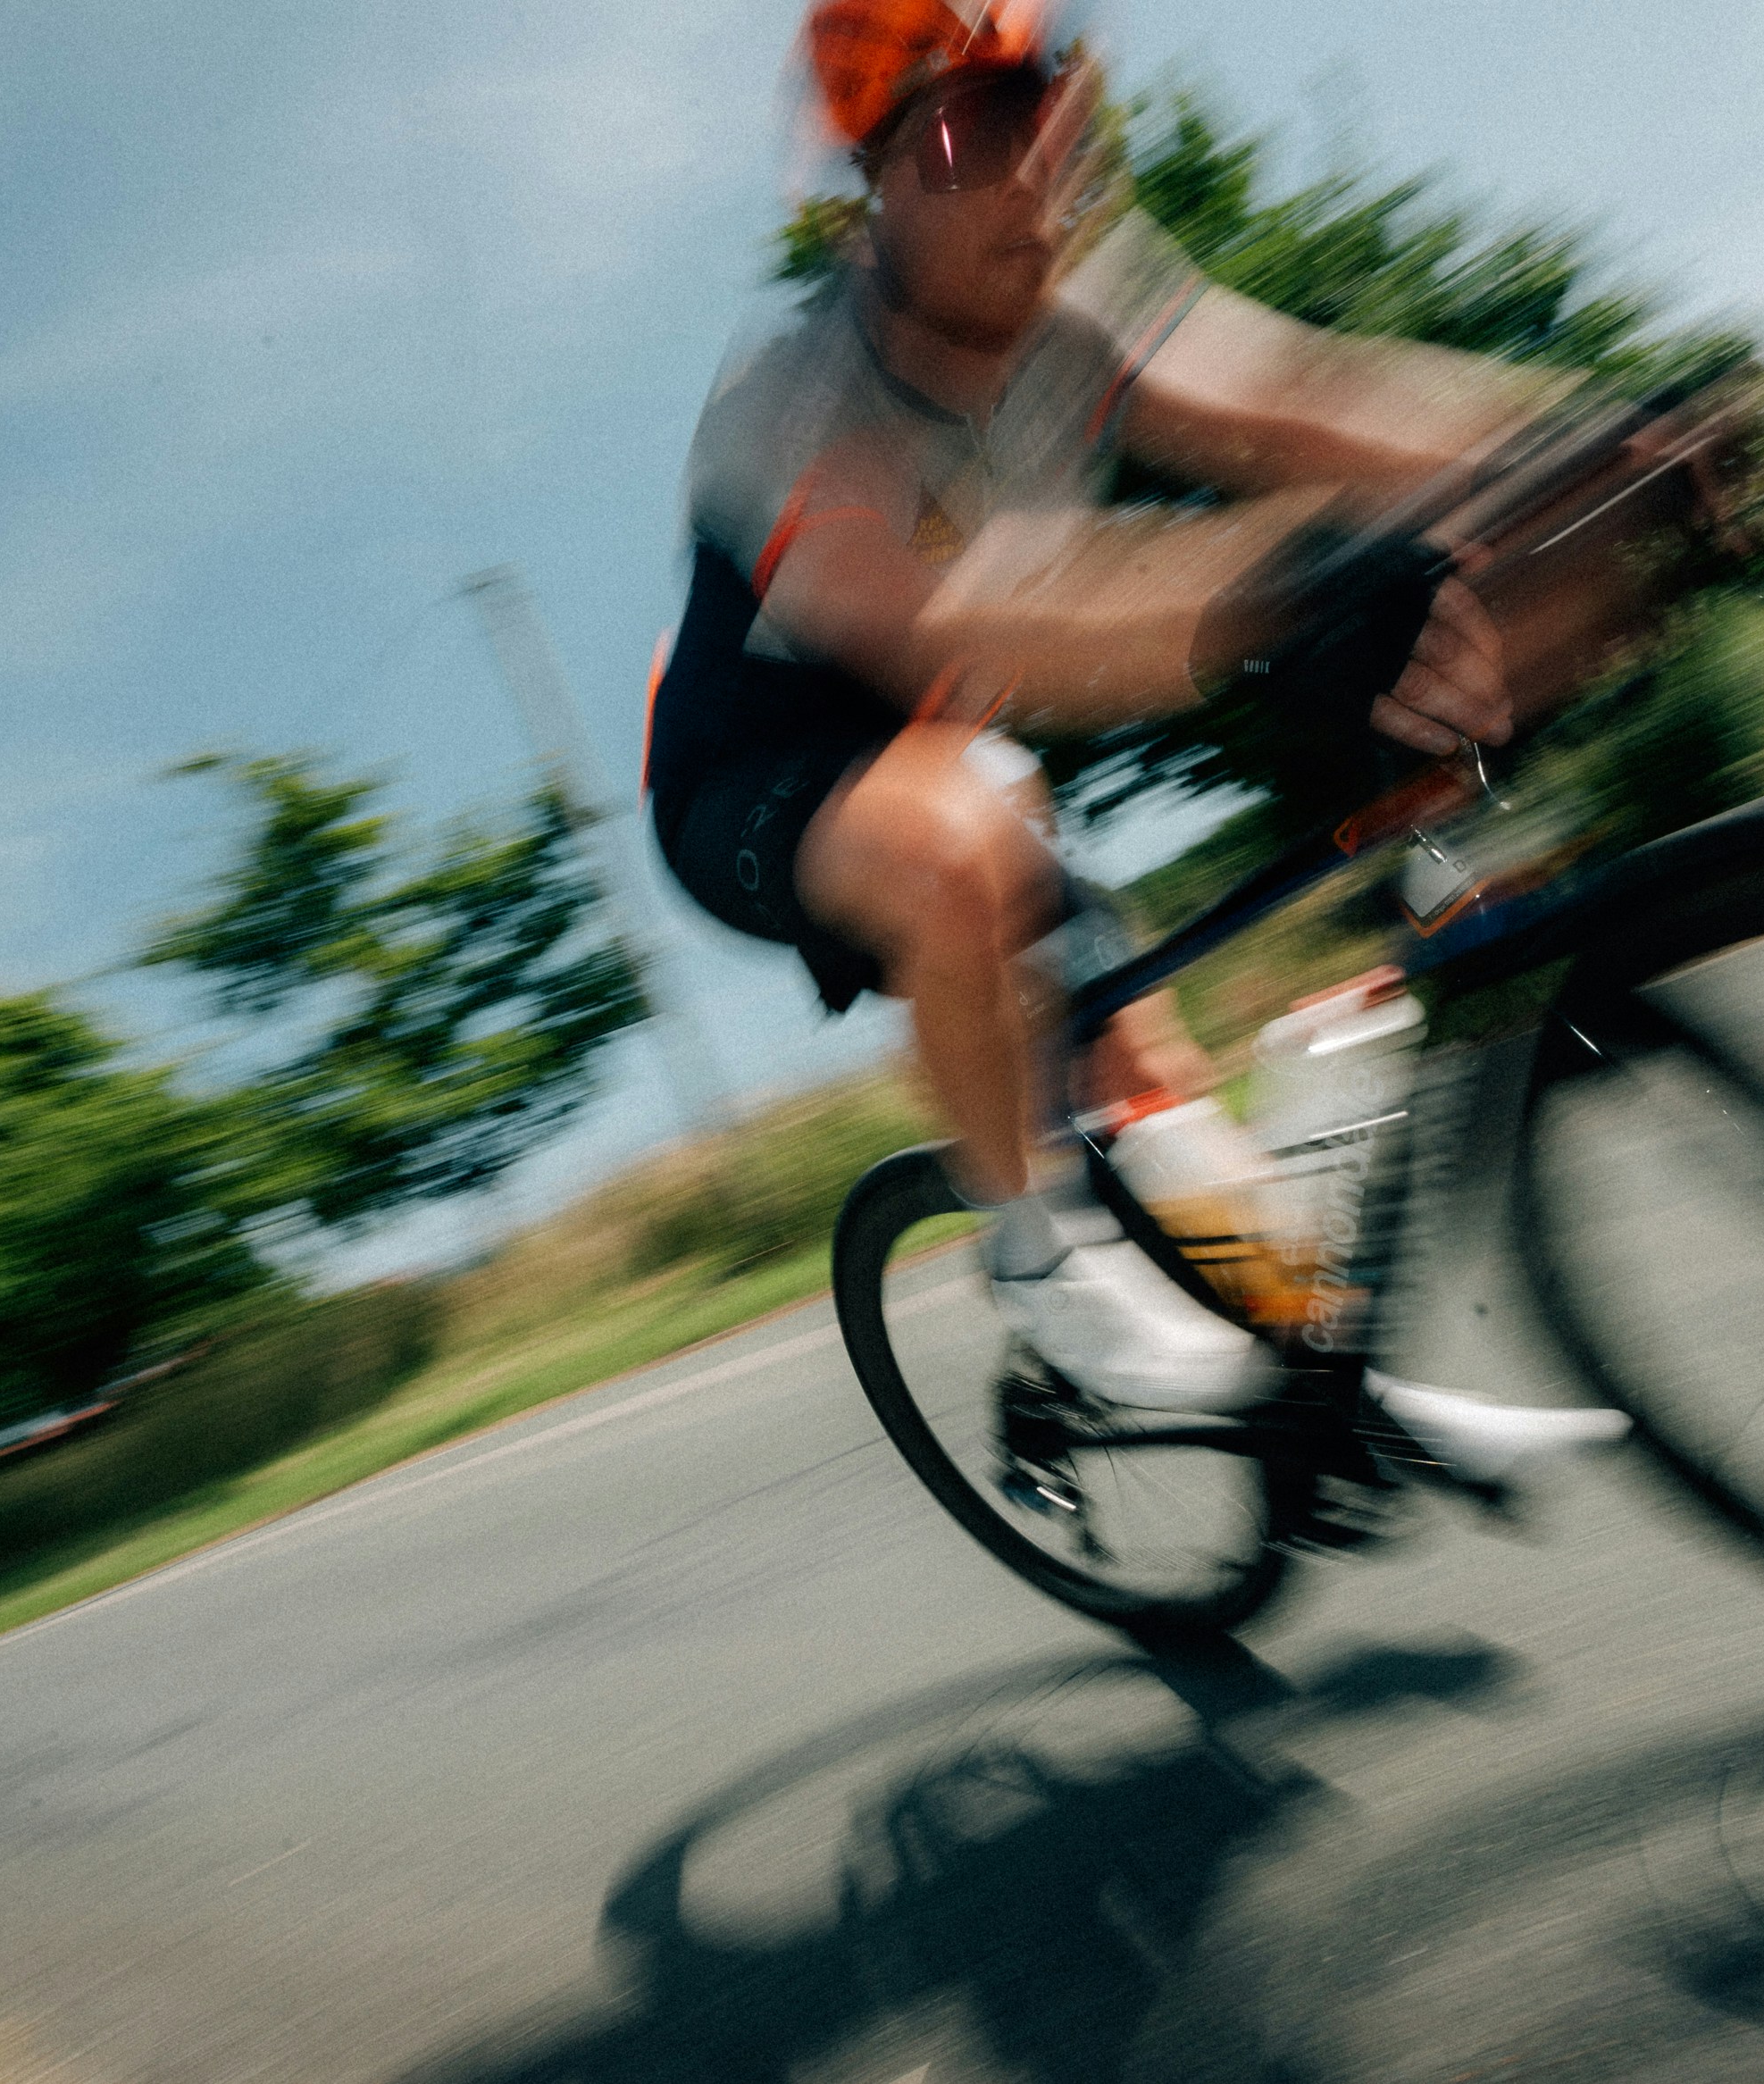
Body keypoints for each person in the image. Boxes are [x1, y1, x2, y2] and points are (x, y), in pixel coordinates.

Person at [647, 0, 1659, 1485]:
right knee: (970, 822)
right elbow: (944, 627)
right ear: (874, 187)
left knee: (1147, 1076)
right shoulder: (787, 398)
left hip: (961, 769)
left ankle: (1322, 1379)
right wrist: (1281, 585)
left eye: (1051, 105)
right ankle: (1040, 1267)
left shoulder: (1084, 303)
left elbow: (1308, 398)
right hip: (754, 788)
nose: (1030, 162)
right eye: (965, 130)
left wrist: (1585, 444)